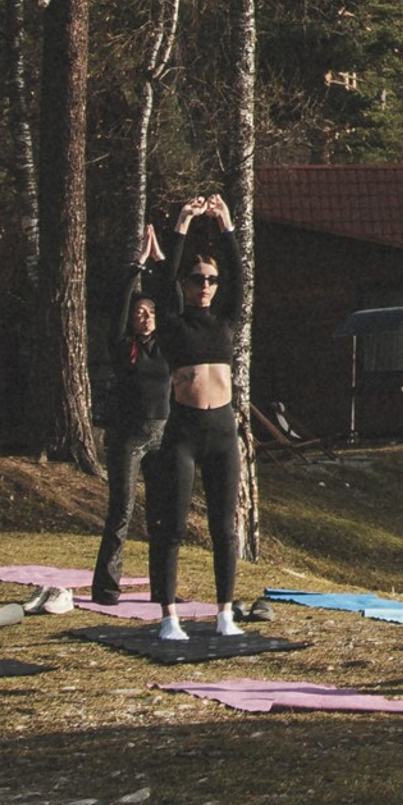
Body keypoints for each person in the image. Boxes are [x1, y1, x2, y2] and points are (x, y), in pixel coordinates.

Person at [141, 196, 246, 643]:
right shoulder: (172, 323)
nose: (205, 285)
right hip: (184, 431)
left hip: (222, 431)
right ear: (186, 284)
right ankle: (169, 615)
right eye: (198, 279)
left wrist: (226, 227)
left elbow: (240, 278)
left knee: (225, 527)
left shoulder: (224, 321)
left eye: (211, 280)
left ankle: (225, 610)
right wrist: (182, 224)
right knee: (173, 525)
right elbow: (164, 281)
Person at [90, 279, 174, 607]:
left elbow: (174, 303)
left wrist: (166, 259)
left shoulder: (166, 345)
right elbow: (118, 313)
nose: (146, 317)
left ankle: (161, 589)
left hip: (162, 436)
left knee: (160, 515)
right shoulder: (123, 347)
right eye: (140, 312)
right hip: (129, 438)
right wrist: (135, 268)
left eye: (151, 312)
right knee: (121, 511)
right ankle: (107, 589)